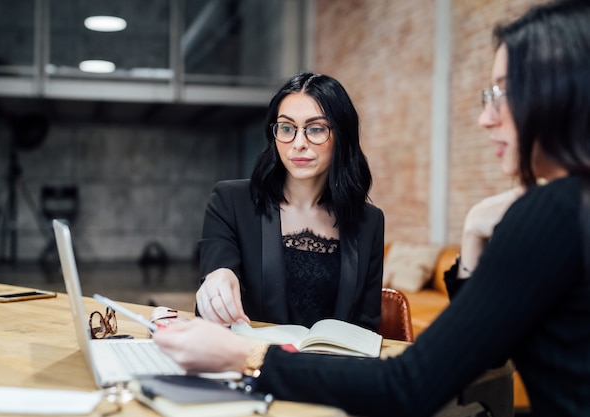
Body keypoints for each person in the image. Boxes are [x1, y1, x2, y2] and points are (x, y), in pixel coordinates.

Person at [154, 1, 590, 415]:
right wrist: (219, 276)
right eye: (286, 129)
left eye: (505, 93)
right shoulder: (566, 208)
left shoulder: (553, 212)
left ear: (562, 94)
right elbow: (485, 339)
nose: (486, 118)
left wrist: (247, 358)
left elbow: (414, 380)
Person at [193, 72, 384, 331]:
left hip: (331, 368)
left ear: (342, 136)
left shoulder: (369, 221)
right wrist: (219, 277)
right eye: (286, 128)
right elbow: (217, 268)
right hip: (255, 363)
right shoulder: (231, 201)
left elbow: (367, 325)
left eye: (316, 129)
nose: (298, 143)